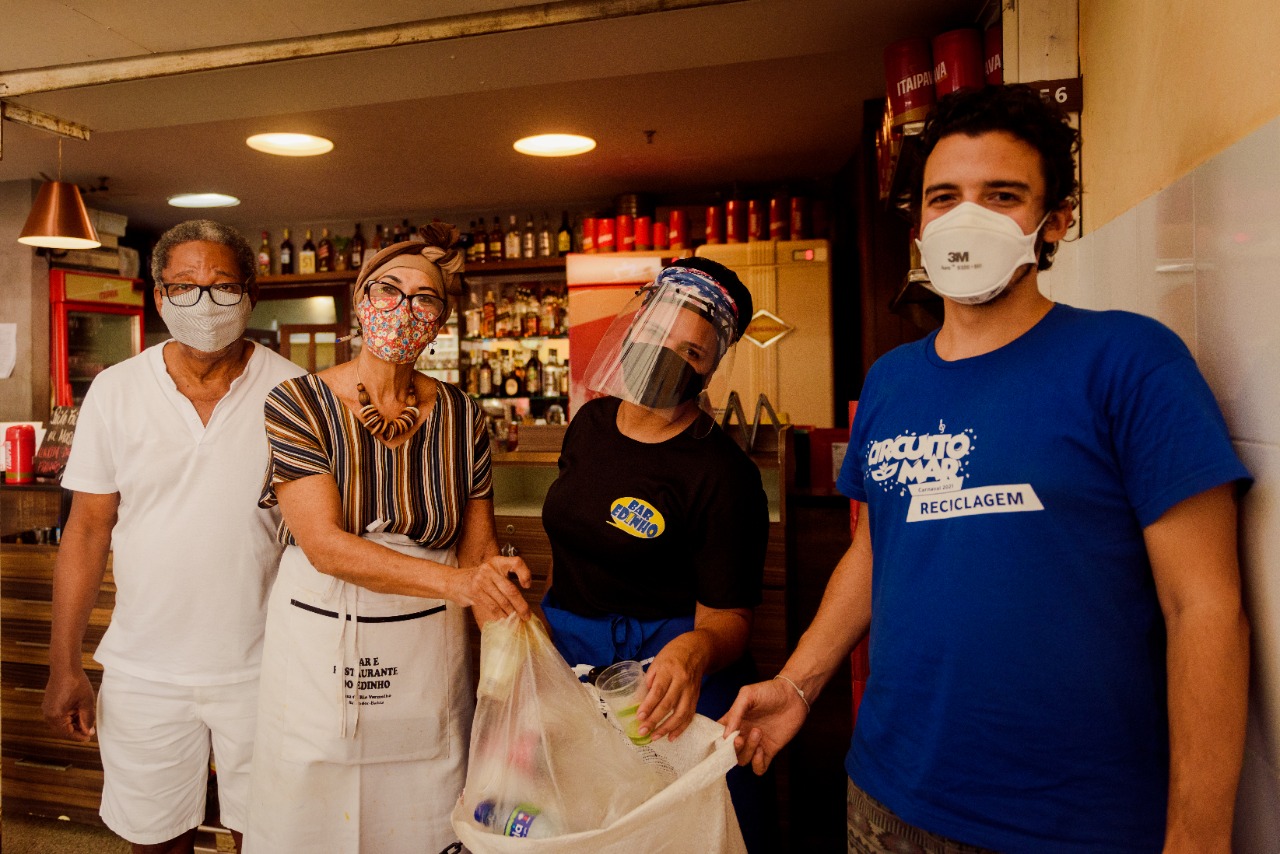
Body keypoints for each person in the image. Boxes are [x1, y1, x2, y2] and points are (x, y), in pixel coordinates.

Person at [721, 84, 1252, 854]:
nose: (965, 218)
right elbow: (877, 551)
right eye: (944, 197)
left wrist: (1199, 836)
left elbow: (1204, 607)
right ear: (919, 223)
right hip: (886, 800)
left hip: (1074, 825)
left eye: (1001, 195)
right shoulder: (893, 381)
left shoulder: (1131, 363)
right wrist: (799, 683)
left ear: (1055, 221)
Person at [242, 223, 532, 854]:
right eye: (388, 290)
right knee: (313, 795)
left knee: (424, 794)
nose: (404, 308)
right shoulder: (298, 401)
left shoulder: (461, 415)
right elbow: (323, 544)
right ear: (359, 301)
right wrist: (461, 583)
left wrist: (501, 601)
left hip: (428, 643)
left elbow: (475, 548)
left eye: (425, 298)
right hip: (322, 629)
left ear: (441, 320)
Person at [43, 220, 307, 853]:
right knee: (154, 839)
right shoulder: (115, 390)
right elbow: (85, 531)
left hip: (268, 667)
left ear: (250, 294)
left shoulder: (296, 392)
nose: (203, 302)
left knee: (269, 837)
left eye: (220, 285)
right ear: (158, 296)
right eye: (184, 286)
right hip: (143, 669)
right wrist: (63, 665)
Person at [539, 257, 779, 851]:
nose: (667, 356)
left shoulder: (723, 475)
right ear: (632, 329)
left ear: (711, 367)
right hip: (573, 671)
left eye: (692, 353)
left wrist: (693, 652)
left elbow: (729, 620)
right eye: (654, 335)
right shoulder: (590, 423)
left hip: (664, 688)